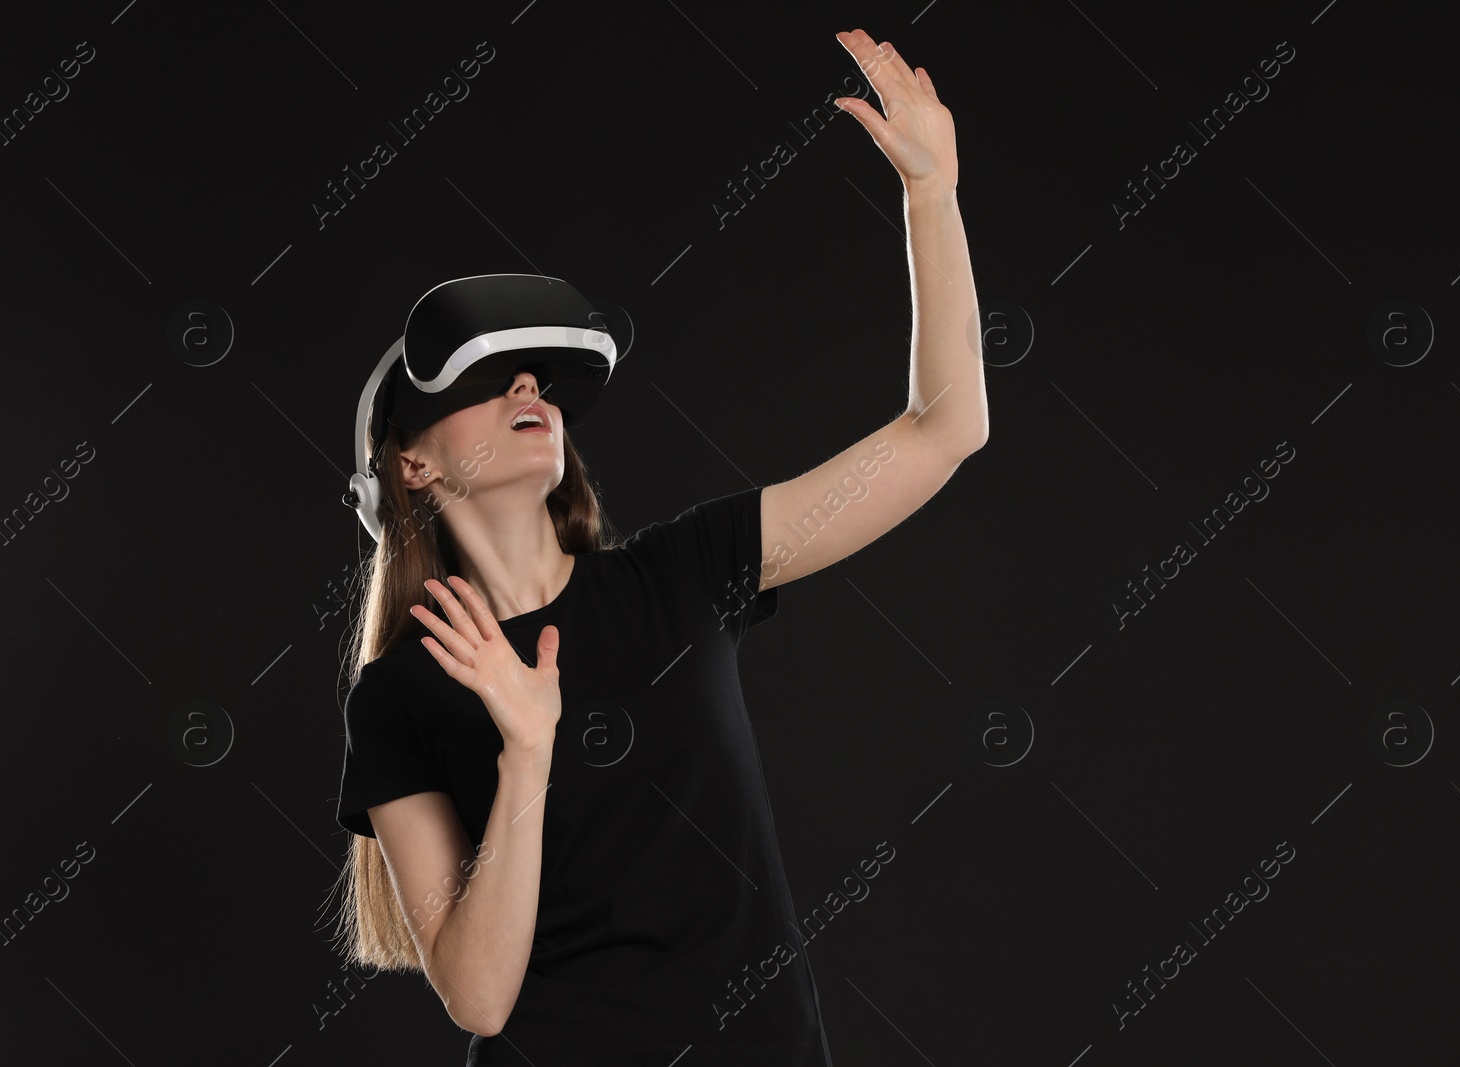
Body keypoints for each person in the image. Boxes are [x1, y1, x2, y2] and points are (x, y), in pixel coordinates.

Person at [330, 27, 987, 1066]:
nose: (526, 389)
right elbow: (482, 998)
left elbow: (944, 430)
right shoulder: (403, 694)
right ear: (409, 466)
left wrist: (930, 196)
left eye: (539, 376)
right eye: (484, 381)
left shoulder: (683, 573)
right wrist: (528, 750)